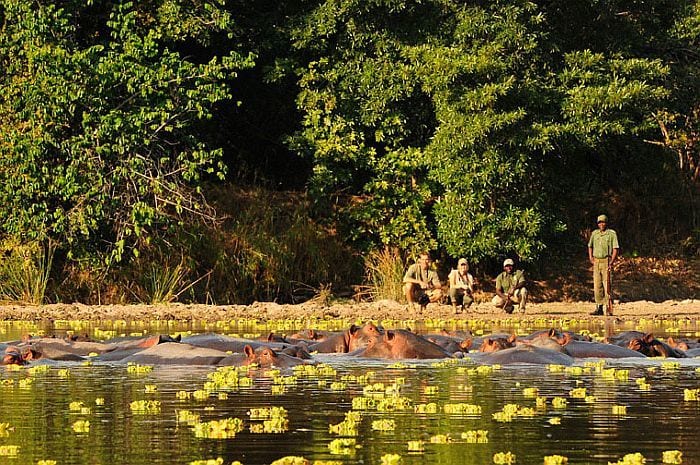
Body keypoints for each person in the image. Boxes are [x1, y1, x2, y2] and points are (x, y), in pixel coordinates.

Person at [588, 214, 619, 316]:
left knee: (608, 285)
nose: (601, 224)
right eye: (599, 222)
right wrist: (591, 258)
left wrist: (611, 262)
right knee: (597, 285)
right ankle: (599, 307)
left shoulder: (611, 234)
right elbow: (590, 246)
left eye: (603, 222)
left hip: (606, 261)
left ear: (606, 223)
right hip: (597, 261)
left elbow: (615, 248)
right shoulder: (594, 234)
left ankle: (609, 308)